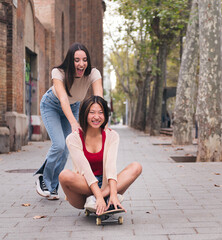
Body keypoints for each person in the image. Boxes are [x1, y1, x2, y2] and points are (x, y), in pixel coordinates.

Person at [35, 42, 104, 200]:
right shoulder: (58, 72)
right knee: (59, 144)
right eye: (77, 60)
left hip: (73, 107)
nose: (81, 64)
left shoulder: (93, 73)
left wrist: (102, 121)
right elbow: (64, 99)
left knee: (67, 149)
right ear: (70, 61)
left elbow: (98, 98)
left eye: (84, 60)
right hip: (52, 105)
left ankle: (52, 186)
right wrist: (74, 122)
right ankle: (42, 178)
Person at [59, 96, 142, 215]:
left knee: (136, 166)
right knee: (64, 175)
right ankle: (97, 198)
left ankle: (104, 197)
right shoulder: (73, 138)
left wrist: (113, 194)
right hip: (84, 187)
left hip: (106, 183)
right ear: (84, 114)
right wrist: (98, 195)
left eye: (101, 113)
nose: (96, 117)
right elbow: (85, 169)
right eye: (92, 112)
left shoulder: (112, 136)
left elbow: (110, 167)